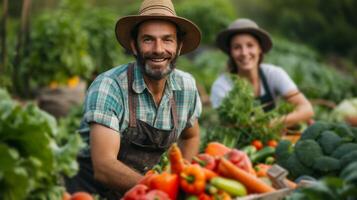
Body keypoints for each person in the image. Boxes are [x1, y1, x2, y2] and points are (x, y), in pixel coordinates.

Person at [65, 0, 202, 198]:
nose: (158, 49)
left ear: (179, 46)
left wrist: (179, 178)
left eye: (167, 40)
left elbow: (191, 135)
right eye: (148, 39)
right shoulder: (109, 86)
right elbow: (104, 167)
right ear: (134, 46)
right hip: (90, 192)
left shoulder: (186, 87)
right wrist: (161, 190)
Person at [210, 18, 314, 128]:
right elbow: (230, 126)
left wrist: (275, 123)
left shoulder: (273, 74)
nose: (244, 53)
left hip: (272, 140)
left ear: (260, 49)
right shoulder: (222, 86)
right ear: (231, 52)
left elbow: (307, 109)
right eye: (237, 47)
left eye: (250, 45)